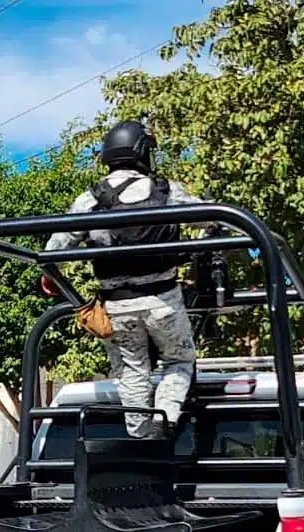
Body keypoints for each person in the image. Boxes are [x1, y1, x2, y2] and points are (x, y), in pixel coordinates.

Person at [43, 119, 201, 439]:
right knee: (179, 360)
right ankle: (165, 418)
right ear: (143, 152)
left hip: (118, 305)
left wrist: (50, 275)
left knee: (132, 370)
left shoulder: (91, 198)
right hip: (163, 300)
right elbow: (213, 218)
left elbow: (55, 248)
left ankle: (139, 436)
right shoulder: (166, 191)